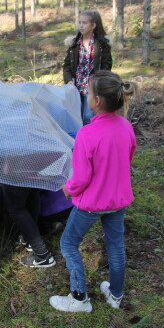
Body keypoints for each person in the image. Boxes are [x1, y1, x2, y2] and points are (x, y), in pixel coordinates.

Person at [49, 71, 137, 313]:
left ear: (97, 101)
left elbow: (81, 176)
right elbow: (127, 159)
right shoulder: (126, 126)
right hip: (119, 199)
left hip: (92, 203)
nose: (85, 95)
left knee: (68, 244)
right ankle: (115, 294)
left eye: (87, 92)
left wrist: (68, 189)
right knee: (115, 245)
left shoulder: (87, 134)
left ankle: (79, 298)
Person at [62, 10, 112, 125]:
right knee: (75, 117)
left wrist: (99, 81)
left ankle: (90, 140)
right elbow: (67, 65)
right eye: (79, 22)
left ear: (93, 25)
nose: (81, 25)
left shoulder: (101, 44)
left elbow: (107, 64)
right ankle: (78, 140)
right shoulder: (74, 44)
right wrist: (68, 80)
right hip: (75, 87)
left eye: (84, 23)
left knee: (88, 117)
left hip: (92, 87)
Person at [3, 185, 56, 268]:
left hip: (14, 175)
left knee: (17, 210)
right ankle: (29, 240)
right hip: (32, 173)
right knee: (32, 195)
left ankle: (42, 255)